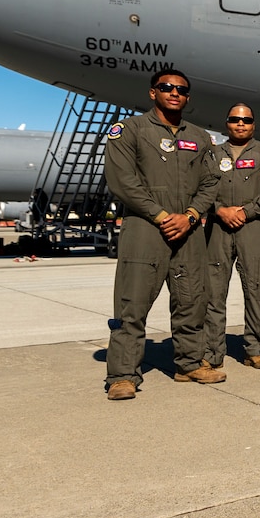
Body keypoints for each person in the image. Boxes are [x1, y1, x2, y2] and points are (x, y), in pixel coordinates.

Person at [100, 70, 223, 400]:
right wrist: (161, 215)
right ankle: (123, 374)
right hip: (145, 227)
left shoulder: (200, 137)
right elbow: (122, 180)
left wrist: (192, 215)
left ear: (188, 97)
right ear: (153, 92)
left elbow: (211, 182)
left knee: (192, 299)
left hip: (188, 228)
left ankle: (189, 362)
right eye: (166, 88)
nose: (174, 93)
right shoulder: (130, 130)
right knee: (132, 303)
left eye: (181, 89)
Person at [201, 104, 260, 370]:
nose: (240, 124)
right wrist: (218, 210)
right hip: (217, 228)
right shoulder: (211, 154)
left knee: (257, 289)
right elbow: (200, 188)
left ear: (254, 124)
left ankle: (256, 348)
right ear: (227, 123)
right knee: (212, 291)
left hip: (253, 227)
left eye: (246, 120)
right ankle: (211, 351)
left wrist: (247, 212)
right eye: (235, 119)